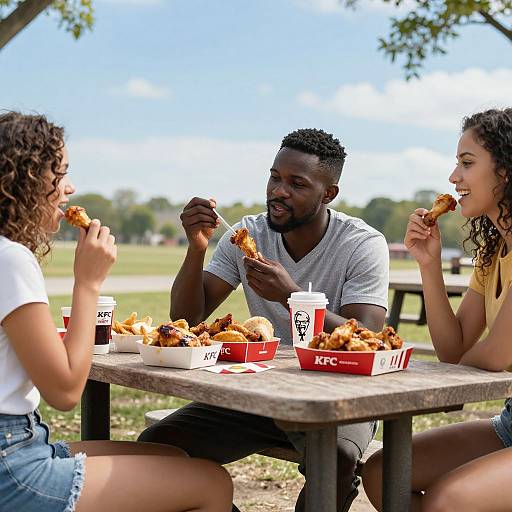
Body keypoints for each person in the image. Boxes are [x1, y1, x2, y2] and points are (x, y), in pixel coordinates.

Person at [139, 128, 390, 512]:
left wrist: (293, 298)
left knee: (335, 457)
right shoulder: (247, 234)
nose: (278, 191)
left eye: (296, 183)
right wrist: (196, 249)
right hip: (263, 390)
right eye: (274, 177)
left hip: (341, 396)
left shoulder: (361, 244)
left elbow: (368, 337)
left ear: (328, 194)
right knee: (158, 446)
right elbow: (186, 317)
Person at [0, 112, 233, 512]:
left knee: (172, 457)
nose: (69, 187)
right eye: (59, 173)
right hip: (14, 467)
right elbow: (66, 391)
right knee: (212, 483)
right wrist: (88, 283)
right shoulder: (11, 260)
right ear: (22, 180)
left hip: (22, 444)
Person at [362, 107, 512, 512]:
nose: (453, 177)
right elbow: (455, 349)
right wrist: (429, 264)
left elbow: (495, 355)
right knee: (382, 474)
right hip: (511, 424)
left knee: (447, 502)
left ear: (506, 171)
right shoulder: (494, 252)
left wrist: (469, 360)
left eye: (467, 163)